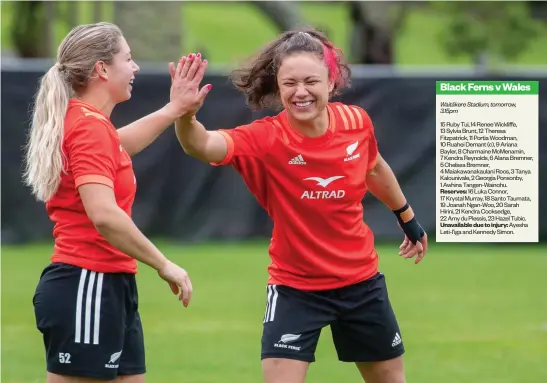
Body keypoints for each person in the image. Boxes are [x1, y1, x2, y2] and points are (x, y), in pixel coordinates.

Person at [173, 28, 428, 383]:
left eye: (311, 81)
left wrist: (407, 218)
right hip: (296, 289)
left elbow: (374, 166)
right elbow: (202, 146)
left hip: (361, 283)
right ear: (278, 87)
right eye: (290, 83)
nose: (301, 91)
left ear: (329, 82)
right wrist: (184, 116)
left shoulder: (356, 122)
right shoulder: (266, 138)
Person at [24, 22, 195, 383]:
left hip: (110, 284)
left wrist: (174, 108)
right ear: (102, 69)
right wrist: (164, 264)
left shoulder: (90, 124)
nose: (134, 69)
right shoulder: (87, 126)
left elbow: (116, 146)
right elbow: (103, 214)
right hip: (87, 283)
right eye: (128, 59)